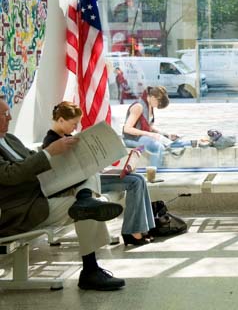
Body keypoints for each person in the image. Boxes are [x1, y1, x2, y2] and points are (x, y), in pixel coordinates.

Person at [0, 96, 125, 291]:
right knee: (85, 210)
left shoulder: (9, 138)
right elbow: (10, 174)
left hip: (40, 194)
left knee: (89, 173)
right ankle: (90, 271)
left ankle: (85, 199)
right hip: (21, 211)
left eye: (8, 113)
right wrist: (49, 153)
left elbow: (30, 158)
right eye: (4, 114)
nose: (9, 118)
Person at [43, 101, 156, 247]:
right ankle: (133, 232)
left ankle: (143, 229)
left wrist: (115, 171)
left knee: (138, 178)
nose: (75, 127)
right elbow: (64, 173)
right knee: (135, 182)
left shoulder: (67, 137)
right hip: (79, 185)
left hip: (90, 177)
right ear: (60, 120)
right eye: (73, 124)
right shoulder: (52, 142)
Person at [122, 86, 184, 167]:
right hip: (131, 138)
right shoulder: (138, 106)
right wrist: (150, 134)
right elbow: (127, 129)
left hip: (142, 137)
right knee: (157, 146)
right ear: (153, 98)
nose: (158, 106)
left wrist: (166, 135)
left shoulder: (150, 106)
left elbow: (150, 128)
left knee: (174, 143)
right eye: (159, 103)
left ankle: (159, 169)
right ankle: (154, 172)